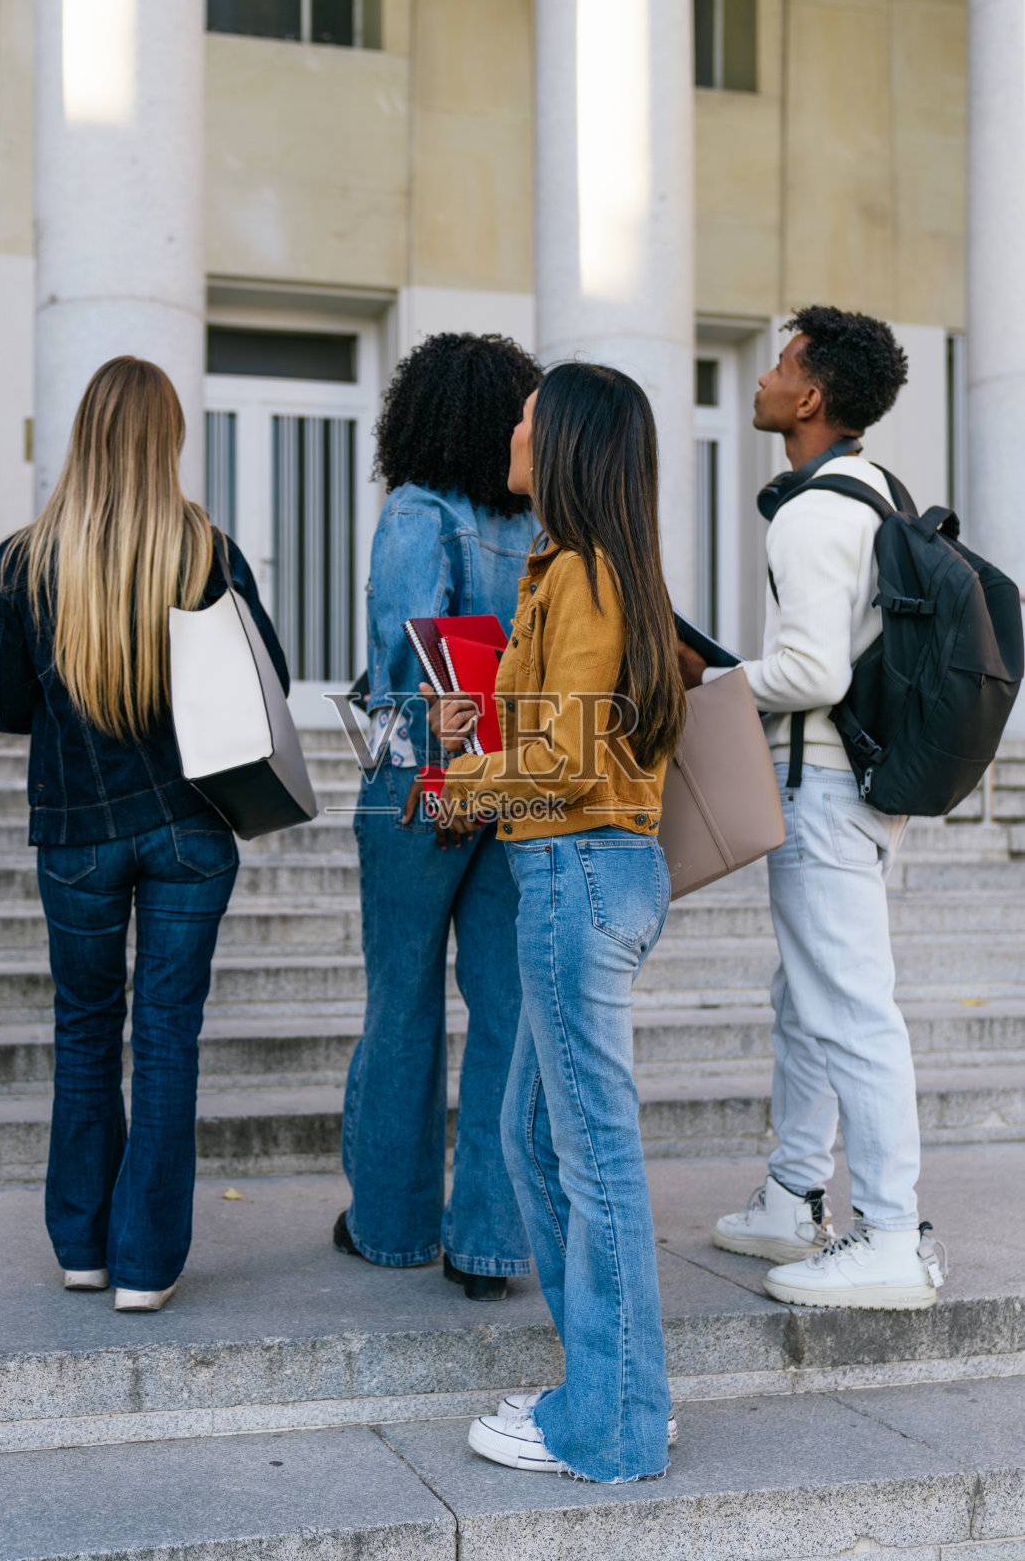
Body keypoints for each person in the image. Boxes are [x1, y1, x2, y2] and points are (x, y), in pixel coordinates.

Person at [0, 356, 288, 1313]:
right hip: (190, 827)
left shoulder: (23, 560)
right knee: (170, 1038)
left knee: (84, 1030)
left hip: (77, 830)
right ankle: (146, 1265)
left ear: (83, 437)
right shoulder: (206, 551)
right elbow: (264, 675)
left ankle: (82, 1246)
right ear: (168, 440)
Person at [429, 362, 685, 1480]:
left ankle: (615, 1424)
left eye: (530, 415)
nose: (513, 426)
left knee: (591, 1160)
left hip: (573, 875)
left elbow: (567, 756)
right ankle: (608, 1381)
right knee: (533, 1139)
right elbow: (574, 734)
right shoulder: (583, 569)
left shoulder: (581, 571)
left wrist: (460, 781)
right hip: (582, 871)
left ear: (567, 440)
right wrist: (473, 728)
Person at [680, 306, 946, 1310]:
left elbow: (808, 669)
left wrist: (704, 683)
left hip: (826, 785)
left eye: (780, 363)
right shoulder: (876, 494)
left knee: (848, 1009)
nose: (762, 376)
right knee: (806, 1000)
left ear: (812, 396)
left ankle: (888, 1233)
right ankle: (793, 1197)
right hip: (857, 784)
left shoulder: (811, 511)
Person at [336, 332, 542, 1301]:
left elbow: (403, 666)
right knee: (505, 1008)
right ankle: (489, 1243)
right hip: (519, 781)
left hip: (421, 785)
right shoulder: (544, 526)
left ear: (418, 415)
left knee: (403, 1001)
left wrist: (416, 756)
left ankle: (390, 1222)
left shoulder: (415, 512)